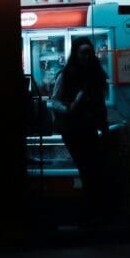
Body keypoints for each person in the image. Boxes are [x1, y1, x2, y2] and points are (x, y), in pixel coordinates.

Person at [50, 36, 114, 227]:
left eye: (89, 52)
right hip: (74, 129)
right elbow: (54, 100)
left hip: (89, 128)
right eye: (83, 52)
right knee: (89, 169)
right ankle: (91, 213)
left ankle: (92, 212)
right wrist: (70, 107)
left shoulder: (95, 75)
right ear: (76, 54)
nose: (87, 56)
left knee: (93, 170)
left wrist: (103, 127)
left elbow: (100, 105)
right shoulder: (67, 75)